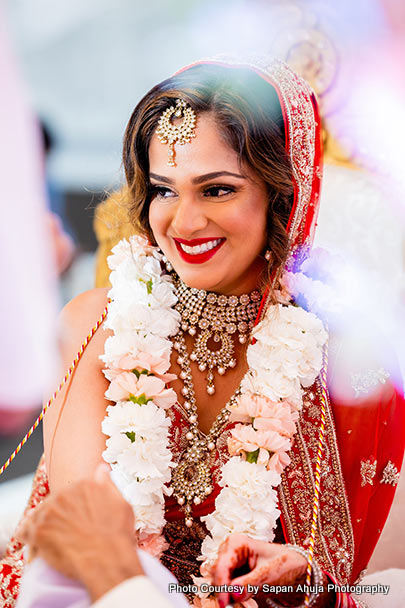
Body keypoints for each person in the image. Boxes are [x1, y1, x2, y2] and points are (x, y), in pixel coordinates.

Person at [1, 56, 404, 608]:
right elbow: (86, 561)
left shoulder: (345, 356)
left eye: (216, 190)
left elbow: (376, 585)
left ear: (282, 194)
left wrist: (306, 584)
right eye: (165, 190)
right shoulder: (96, 324)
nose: (184, 223)